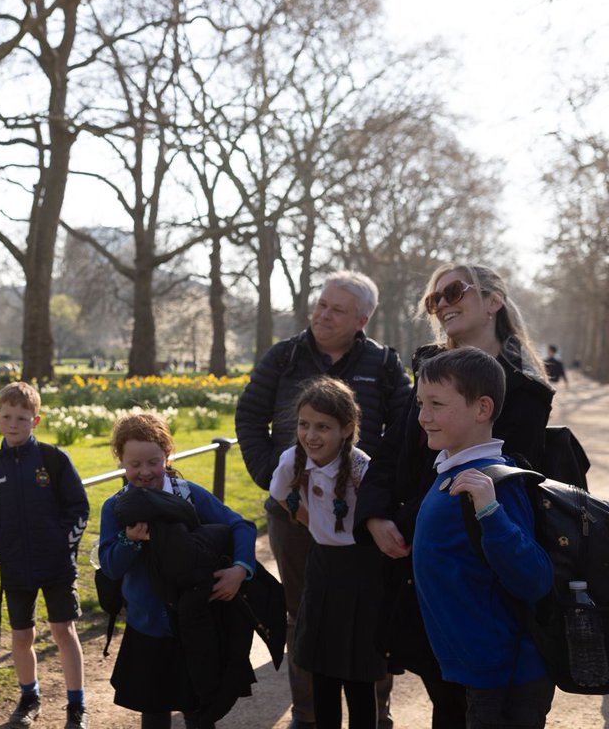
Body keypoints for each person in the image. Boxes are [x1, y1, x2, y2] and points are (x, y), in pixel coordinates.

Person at [356, 263, 553, 728]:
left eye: (453, 291)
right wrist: (375, 516)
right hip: (415, 559)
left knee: (474, 701)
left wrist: (417, 517)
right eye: (434, 299)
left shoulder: (524, 389)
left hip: (475, 573)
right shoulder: (427, 368)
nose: (442, 304)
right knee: (442, 691)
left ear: (493, 301)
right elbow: (391, 453)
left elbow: (506, 481)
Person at [235, 270, 409, 729]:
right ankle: (308, 714)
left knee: (367, 612)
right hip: (291, 516)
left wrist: (378, 497)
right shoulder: (285, 356)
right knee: (302, 613)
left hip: (362, 521)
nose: (322, 314)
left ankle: (375, 711)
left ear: (361, 320)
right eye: (321, 304)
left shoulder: (384, 363)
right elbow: (249, 416)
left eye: (336, 309)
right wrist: (274, 476)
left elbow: (406, 431)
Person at [412, 347, 554, 728]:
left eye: (437, 404)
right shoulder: (446, 470)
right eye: (421, 403)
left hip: (507, 679)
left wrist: (490, 510)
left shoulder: (495, 481)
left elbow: (535, 577)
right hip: (475, 672)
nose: (423, 416)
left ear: (482, 409)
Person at [98, 412, 258, 729]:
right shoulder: (115, 507)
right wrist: (130, 542)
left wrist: (240, 570)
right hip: (147, 627)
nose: (144, 472)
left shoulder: (188, 494)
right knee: (154, 713)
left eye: (153, 462)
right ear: (120, 460)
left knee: (199, 710)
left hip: (194, 624)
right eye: (134, 465)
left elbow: (241, 525)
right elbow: (111, 567)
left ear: (167, 454)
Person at [0, 382, 90, 729]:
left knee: (62, 630)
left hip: (56, 564)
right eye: (7, 417)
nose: (13, 424)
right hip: (16, 568)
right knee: (22, 635)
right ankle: (29, 698)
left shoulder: (54, 460)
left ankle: (76, 706)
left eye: (22, 418)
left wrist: (61, 543)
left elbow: (79, 507)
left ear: (35, 420)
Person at [270, 378, 384, 729]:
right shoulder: (293, 460)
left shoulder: (361, 466)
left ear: (347, 428)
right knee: (322, 668)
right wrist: (316, 526)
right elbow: (280, 497)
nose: (311, 435)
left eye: (323, 427)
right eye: (304, 425)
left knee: (359, 672)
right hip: (322, 566)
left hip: (362, 571)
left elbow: (379, 513)